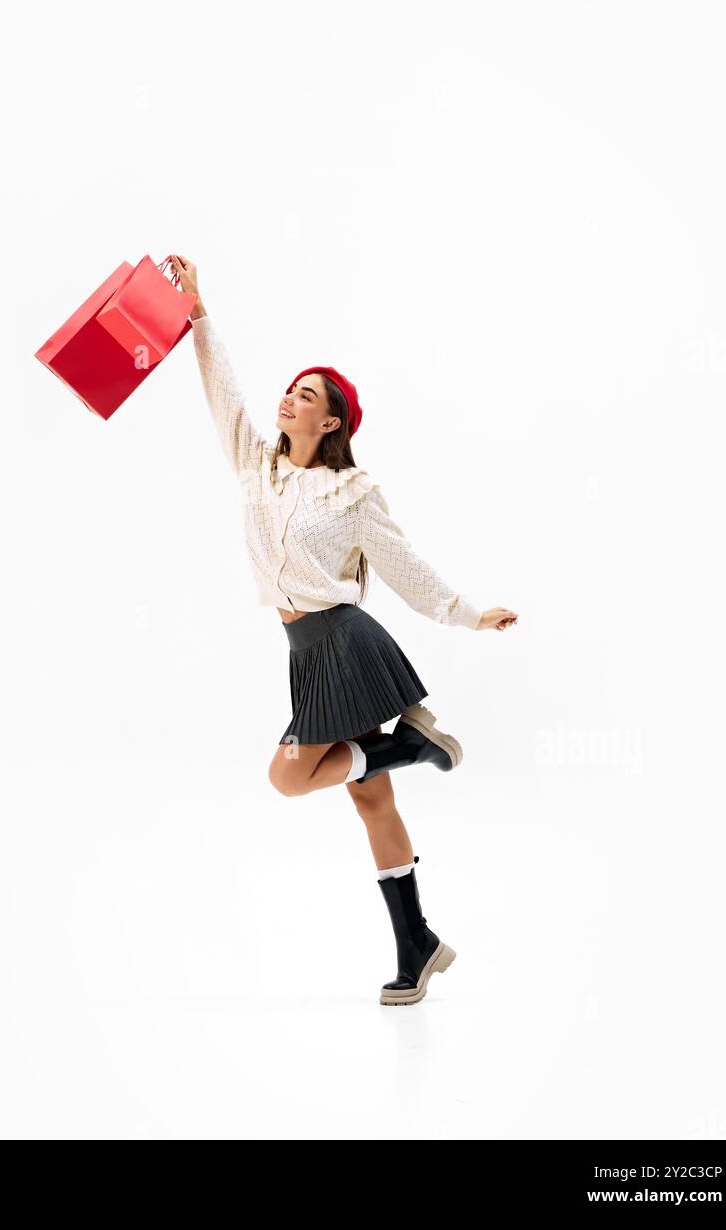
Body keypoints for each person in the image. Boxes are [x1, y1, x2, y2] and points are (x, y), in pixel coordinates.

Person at [166, 252, 518, 1005]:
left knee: (288, 777)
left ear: (331, 421)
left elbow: (401, 563)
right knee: (371, 799)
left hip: (345, 645)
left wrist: (465, 612)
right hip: (305, 652)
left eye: (306, 396)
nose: (288, 400)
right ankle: (417, 943)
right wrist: (199, 313)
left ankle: (410, 746)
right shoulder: (257, 466)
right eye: (288, 391)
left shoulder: (351, 490)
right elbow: (221, 392)